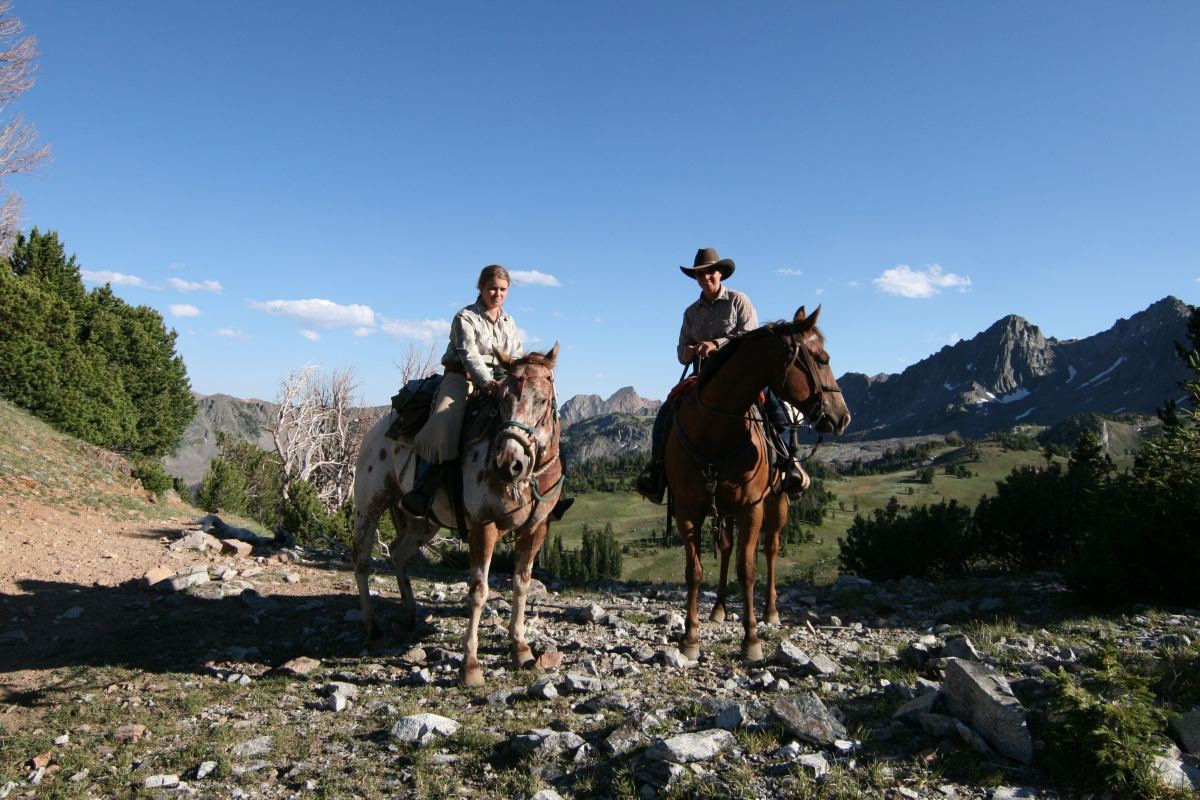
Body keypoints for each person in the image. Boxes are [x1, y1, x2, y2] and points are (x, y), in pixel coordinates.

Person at [401, 265, 574, 523]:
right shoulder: (466, 317)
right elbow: (468, 355)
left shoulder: (508, 321)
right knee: (444, 420)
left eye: (503, 289)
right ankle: (423, 489)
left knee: (543, 423)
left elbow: (514, 356)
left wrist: (516, 378)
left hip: (503, 379)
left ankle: (552, 495)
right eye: (492, 288)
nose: (498, 294)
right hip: (463, 377)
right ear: (480, 287)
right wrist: (487, 381)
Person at [635, 247, 807, 503]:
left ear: (720, 273)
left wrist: (716, 344)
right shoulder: (691, 313)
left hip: (741, 375)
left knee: (775, 406)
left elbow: (749, 337)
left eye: (710, 272)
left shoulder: (739, 301)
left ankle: (789, 463)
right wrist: (690, 351)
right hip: (702, 374)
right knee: (667, 411)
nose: (705, 277)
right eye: (700, 274)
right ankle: (658, 470)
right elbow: (681, 350)